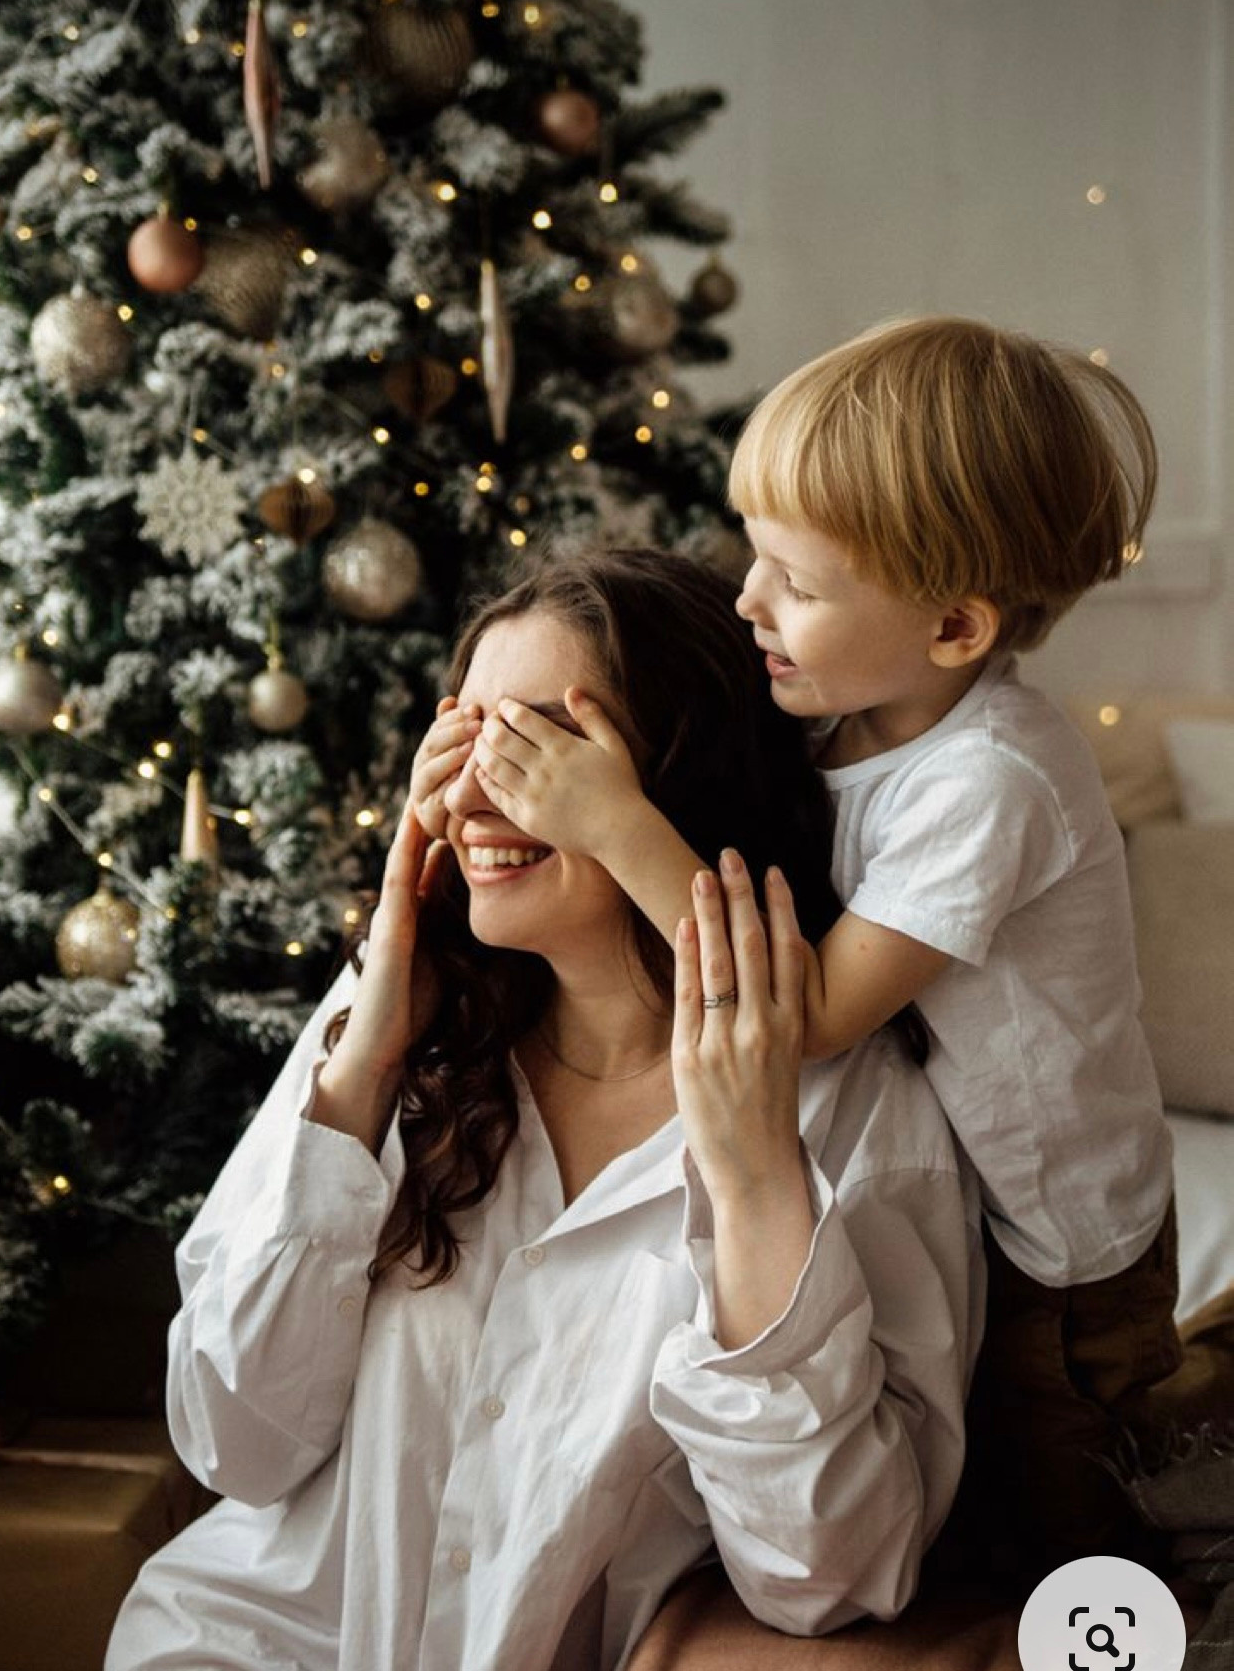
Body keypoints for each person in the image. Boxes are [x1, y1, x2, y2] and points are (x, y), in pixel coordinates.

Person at [96, 549, 982, 1671]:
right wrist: (362, 1066)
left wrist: (758, 1175)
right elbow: (232, 1441)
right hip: (235, 1670)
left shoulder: (861, 1114)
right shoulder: (396, 1023)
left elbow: (827, 1576)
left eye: (537, 747)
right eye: (459, 742)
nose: (470, 798)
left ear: (674, 774)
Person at [466, 319, 1181, 1579]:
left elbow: (803, 1015)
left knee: (1073, 1526)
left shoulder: (994, 780)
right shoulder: (841, 715)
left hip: (1067, 1253)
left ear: (955, 629)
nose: (749, 598)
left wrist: (616, 822)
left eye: (795, 581)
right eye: (755, 556)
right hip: (967, 1197)